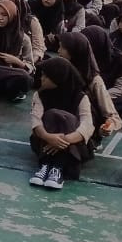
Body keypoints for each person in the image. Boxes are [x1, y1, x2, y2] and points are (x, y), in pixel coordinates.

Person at [28, 56, 95, 191]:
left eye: (46, 76)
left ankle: (57, 168)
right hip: (44, 141)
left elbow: (87, 126)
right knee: (52, 115)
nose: (42, 79)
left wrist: (62, 141)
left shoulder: (81, 97)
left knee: (65, 118)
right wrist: (48, 137)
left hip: (73, 144)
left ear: (58, 78)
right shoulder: (40, 95)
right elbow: (36, 121)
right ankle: (46, 166)